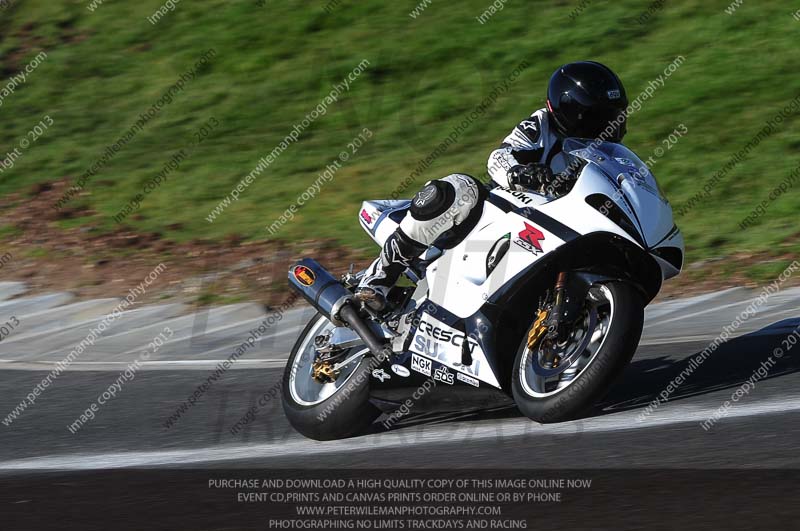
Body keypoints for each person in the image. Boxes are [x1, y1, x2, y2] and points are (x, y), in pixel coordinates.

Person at [355, 61, 629, 311]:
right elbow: (499, 157)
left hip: (553, 229)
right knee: (460, 188)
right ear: (569, 112)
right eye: (597, 119)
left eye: (614, 118)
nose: (607, 127)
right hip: (504, 214)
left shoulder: (606, 156)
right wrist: (522, 173)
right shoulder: (539, 126)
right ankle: (378, 277)